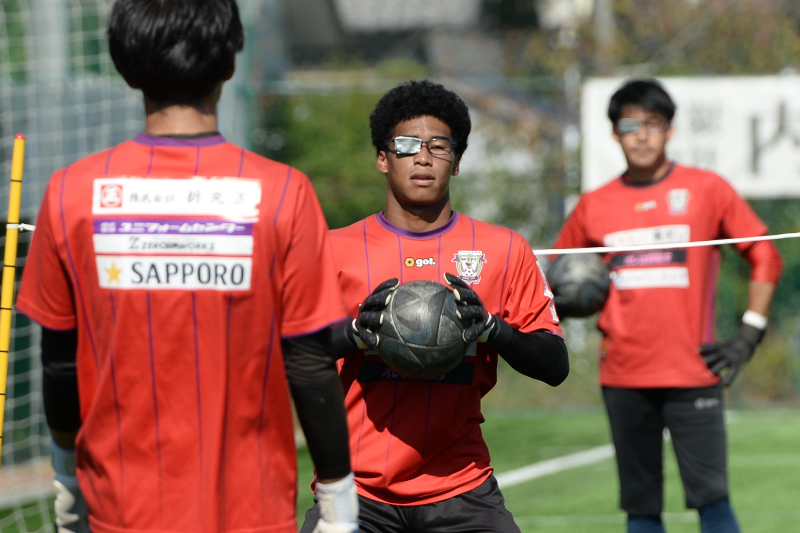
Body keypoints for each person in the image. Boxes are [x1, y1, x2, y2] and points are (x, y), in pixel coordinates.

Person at [15, 1, 358, 532]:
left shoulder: (70, 195)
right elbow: (309, 364)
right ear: (229, 63)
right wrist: (337, 497)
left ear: (126, 65)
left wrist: (66, 472)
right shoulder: (283, 194)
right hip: (253, 511)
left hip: (117, 510)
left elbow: (59, 360)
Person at [298, 79, 569, 533]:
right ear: (382, 159)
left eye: (439, 146)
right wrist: (352, 335)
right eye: (406, 145)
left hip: (461, 489)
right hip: (359, 494)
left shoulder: (502, 249)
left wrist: (491, 329)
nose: (422, 157)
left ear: (457, 162)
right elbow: (291, 351)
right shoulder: (333, 249)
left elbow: (555, 364)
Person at [552, 78, 783, 533]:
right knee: (641, 509)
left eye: (653, 123)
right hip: (623, 374)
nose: (641, 134)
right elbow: (553, 281)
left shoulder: (706, 189)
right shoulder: (593, 206)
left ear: (670, 131)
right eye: (630, 124)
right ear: (615, 133)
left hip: (692, 373)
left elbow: (765, 254)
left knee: (712, 500)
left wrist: (749, 335)